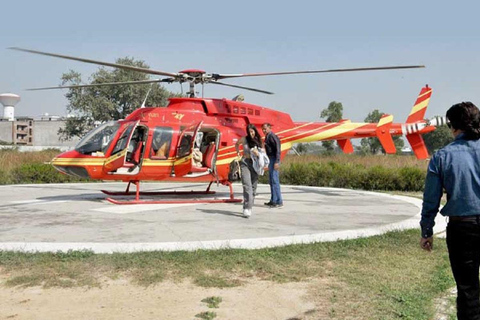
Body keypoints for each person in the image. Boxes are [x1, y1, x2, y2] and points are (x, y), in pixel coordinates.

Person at [420, 102, 480, 320]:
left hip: (462, 229)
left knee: (467, 289)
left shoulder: (442, 156)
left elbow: (431, 199)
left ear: (453, 127)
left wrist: (427, 231)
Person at [235, 124, 264, 218]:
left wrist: (258, 154)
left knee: (253, 187)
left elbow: (263, 154)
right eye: (249, 131)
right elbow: (237, 144)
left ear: (255, 131)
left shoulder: (259, 140)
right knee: (247, 185)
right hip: (245, 163)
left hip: (255, 164)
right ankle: (246, 207)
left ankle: (250, 204)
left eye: (252, 131)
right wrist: (238, 152)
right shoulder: (244, 139)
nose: (251, 133)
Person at [262, 123, 283, 208]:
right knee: (271, 181)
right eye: (263, 129)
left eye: (265, 128)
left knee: (275, 180)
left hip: (274, 159)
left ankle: (278, 201)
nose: (264, 130)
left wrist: (277, 161)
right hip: (270, 159)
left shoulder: (272, 136)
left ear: (270, 128)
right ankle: (273, 200)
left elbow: (278, 149)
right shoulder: (267, 136)